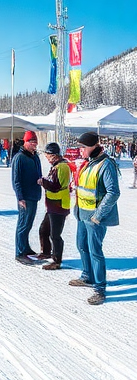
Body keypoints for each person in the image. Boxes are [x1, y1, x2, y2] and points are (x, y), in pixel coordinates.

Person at [71, 131, 121, 305]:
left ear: (93, 147)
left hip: (94, 218)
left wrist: (98, 216)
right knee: (81, 245)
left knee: (95, 251)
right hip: (82, 214)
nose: (80, 151)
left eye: (83, 148)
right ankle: (87, 276)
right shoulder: (88, 163)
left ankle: (100, 288)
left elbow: (113, 193)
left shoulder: (106, 164)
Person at [35, 142, 72, 270]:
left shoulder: (62, 167)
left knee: (55, 234)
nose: (47, 158)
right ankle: (46, 251)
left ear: (54, 155)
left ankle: (57, 260)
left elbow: (56, 185)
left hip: (59, 205)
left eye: (48, 156)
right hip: (53, 204)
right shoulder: (57, 166)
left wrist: (43, 182)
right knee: (44, 229)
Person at [10, 130, 43, 264]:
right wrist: (20, 197)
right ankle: (19, 252)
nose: (34, 144)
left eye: (35, 142)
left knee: (28, 224)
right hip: (25, 196)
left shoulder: (35, 156)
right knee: (23, 224)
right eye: (32, 142)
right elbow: (16, 180)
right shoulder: (19, 158)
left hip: (34, 194)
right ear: (26, 142)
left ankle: (25, 247)